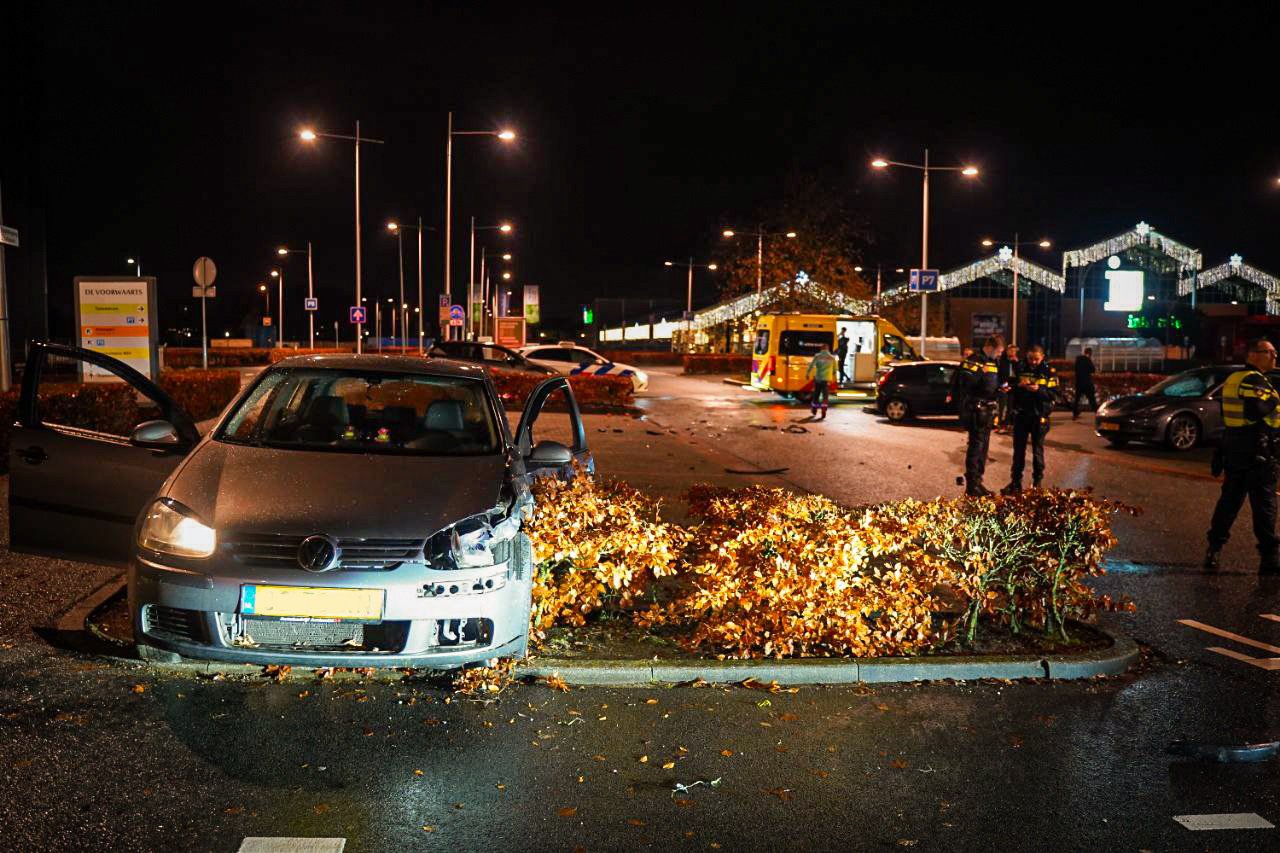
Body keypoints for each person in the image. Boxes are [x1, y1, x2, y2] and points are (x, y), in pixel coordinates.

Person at [1205, 338, 1280, 574]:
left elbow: (1232, 418)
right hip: (1258, 452)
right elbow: (1254, 411)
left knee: (1228, 504)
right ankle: (1269, 558)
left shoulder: (1234, 379)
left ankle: (1213, 550)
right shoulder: (1254, 380)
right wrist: (1275, 398)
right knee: (1265, 508)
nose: (1275, 356)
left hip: (1235, 451)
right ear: (1254, 355)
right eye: (1270, 352)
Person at [947, 334, 1005, 496]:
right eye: (999, 351)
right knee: (976, 446)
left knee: (983, 447)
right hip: (975, 409)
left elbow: (990, 383)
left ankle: (978, 482)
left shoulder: (992, 361)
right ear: (991, 348)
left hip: (987, 410)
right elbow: (966, 382)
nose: (1000, 354)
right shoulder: (974, 360)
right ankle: (972, 485)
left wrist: (1000, 389)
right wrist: (980, 371)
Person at [1002, 344, 1058, 494]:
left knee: (1037, 451)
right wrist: (1018, 386)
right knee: (1018, 451)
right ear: (1027, 356)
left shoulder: (1048, 372)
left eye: (1036, 359)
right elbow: (1009, 386)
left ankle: (1037, 484)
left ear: (1042, 357)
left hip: (1039, 417)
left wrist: (1039, 390)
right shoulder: (1020, 367)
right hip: (1021, 415)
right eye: (1031, 358)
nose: (1033, 362)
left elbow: (1054, 394)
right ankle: (1015, 483)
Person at [806, 343, 838, 420]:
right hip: (827, 380)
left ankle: (814, 410)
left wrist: (807, 373)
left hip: (818, 379)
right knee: (825, 397)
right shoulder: (832, 357)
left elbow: (811, 365)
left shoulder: (817, 356)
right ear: (828, 349)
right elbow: (835, 370)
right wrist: (832, 374)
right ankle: (823, 410)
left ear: (821, 349)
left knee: (816, 395)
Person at [997, 344, 1020, 432]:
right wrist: (1001, 385)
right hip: (1003, 386)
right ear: (1007, 351)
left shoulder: (1017, 362)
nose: (1012, 352)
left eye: (1014, 351)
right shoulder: (1002, 361)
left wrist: (1017, 363)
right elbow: (999, 374)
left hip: (1013, 386)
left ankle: (1008, 424)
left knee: (1011, 407)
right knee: (1002, 407)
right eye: (1010, 350)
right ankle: (1001, 425)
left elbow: (1019, 374)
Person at [1072, 347, 1098, 419]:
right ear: (1090, 353)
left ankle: (1075, 414)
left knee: (1077, 399)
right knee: (1092, 398)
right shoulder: (1088, 360)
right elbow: (1093, 370)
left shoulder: (1078, 360)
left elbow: (1076, 371)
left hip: (1079, 383)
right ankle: (1096, 412)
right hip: (1087, 383)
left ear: (1084, 352)